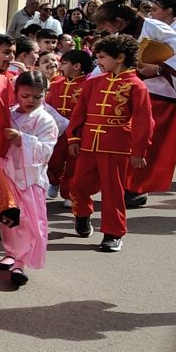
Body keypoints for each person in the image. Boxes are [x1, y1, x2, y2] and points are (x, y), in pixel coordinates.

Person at [93, 0, 176, 204]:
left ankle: (137, 188)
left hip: (163, 96)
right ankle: (125, 185)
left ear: (119, 20)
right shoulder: (124, 34)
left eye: (105, 24)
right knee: (130, 142)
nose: (103, 29)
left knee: (150, 145)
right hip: (136, 92)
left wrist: (159, 69)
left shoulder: (154, 28)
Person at [64, 35, 152, 252]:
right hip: (88, 142)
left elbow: (144, 121)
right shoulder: (93, 82)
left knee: (113, 191)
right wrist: (73, 137)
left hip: (116, 144)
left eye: (102, 57)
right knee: (77, 184)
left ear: (120, 57)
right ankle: (83, 214)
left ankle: (113, 232)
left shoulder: (136, 86)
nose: (98, 62)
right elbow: (79, 112)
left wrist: (138, 151)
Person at [0, 72, 60, 287]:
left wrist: (21, 138)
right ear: (16, 93)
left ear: (45, 95)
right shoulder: (10, 113)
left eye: (37, 96)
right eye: (25, 95)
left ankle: (21, 263)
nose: (30, 101)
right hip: (8, 173)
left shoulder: (46, 120)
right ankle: (11, 253)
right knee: (9, 218)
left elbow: (45, 151)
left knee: (28, 222)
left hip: (30, 179)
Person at [44, 48, 90, 201]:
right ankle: (54, 181)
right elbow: (48, 105)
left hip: (76, 131)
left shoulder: (87, 85)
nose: (60, 66)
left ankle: (68, 193)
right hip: (57, 130)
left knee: (73, 163)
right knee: (53, 160)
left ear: (76, 66)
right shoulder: (57, 84)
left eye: (64, 63)